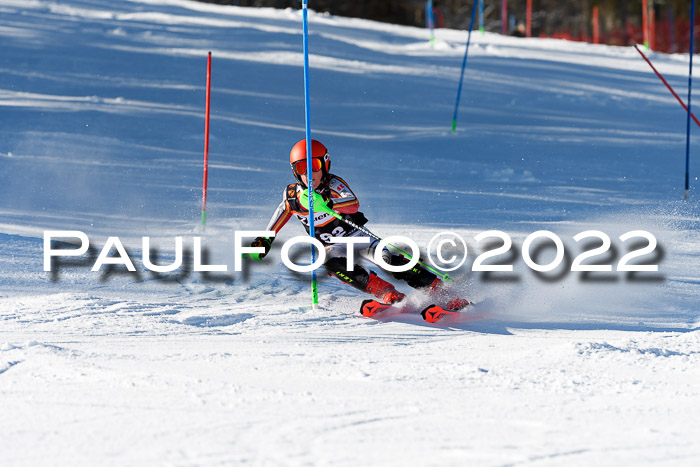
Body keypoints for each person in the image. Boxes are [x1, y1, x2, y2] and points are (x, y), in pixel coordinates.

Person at [247, 139, 467, 315]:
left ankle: (441, 291)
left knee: (388, 259)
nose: (309, 174)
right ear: (295, 172)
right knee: (330, 262)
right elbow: (283, 211)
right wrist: (266, 238)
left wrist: (329, 203)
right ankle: (387, 294)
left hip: (356, 235)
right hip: (331, 245)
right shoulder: (293, 195)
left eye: (314, 166)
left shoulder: (334, 185)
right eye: (302, 168)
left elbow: (353, 203)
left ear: (325, 164)